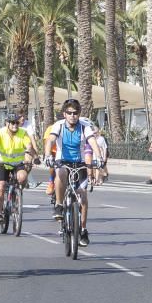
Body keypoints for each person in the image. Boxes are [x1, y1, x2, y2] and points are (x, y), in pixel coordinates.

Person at [43, 99, 103, 247]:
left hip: (80, 163)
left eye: (75, 113)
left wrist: (99, 157)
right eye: (69, 113)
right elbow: (50, 140)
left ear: (79, 114)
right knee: (61, 173)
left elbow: (93, 142)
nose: (72, 116)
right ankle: (58, 204)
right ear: (64, 114)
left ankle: (83, 229)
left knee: (83, 197)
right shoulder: (58, 125)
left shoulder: (84, 127)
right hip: (62, 161)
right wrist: (48, 155)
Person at [0, 110, 39, 224]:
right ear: (7, 123)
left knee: (22, 177)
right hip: (2, 163)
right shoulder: (0, 133)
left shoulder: (23, 133)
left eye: (17, 123)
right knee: (1, 186)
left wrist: (34, 157)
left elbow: (29, 146)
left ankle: (17, 195)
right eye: (12, 123)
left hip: (18, 164)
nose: (15, 125)